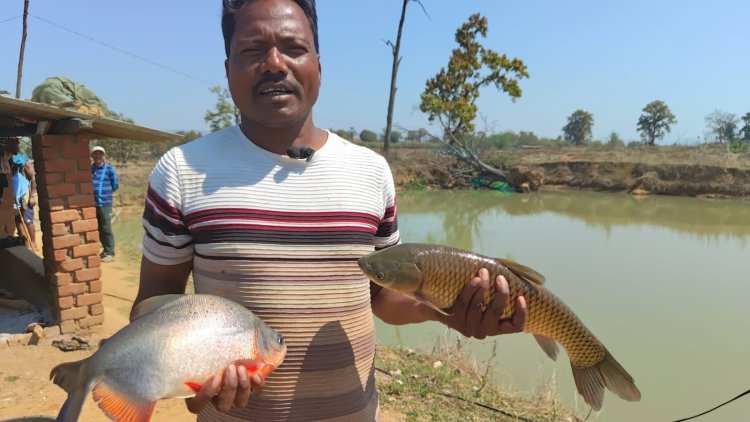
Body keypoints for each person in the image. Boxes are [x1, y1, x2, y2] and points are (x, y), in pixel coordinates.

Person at [131, 0, 528, 420]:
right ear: (227, 67)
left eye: (293, 47)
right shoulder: (182, 171)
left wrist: (446, 312)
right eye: (252, 50)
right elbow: (155, 304)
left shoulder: (370, 171)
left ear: (318, 64)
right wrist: (192, 382)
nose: (274, 63)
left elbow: (383, 295)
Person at [1, 138, 37, 248]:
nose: (17, 146)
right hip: (13, 195)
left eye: (17, 144)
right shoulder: (7, 159)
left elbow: (33, 176)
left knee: (27, 219)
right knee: (18, 221)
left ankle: (34, 242)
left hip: (23, 194)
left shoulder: (21, 159)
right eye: (14, 144)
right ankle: (25, 243)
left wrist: (32, 195)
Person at [90, 145, 119, 262]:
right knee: (99, 228)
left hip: (105, 203)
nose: (98, 156)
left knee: (106, 228)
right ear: (92, 156)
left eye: (100, 154)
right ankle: (105, 251)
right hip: (93, 204)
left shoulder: (109, 169)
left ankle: (110, 253)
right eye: (95, 154)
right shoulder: (90, 169)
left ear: (104, 156)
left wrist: (105, 192)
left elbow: (115, 185)